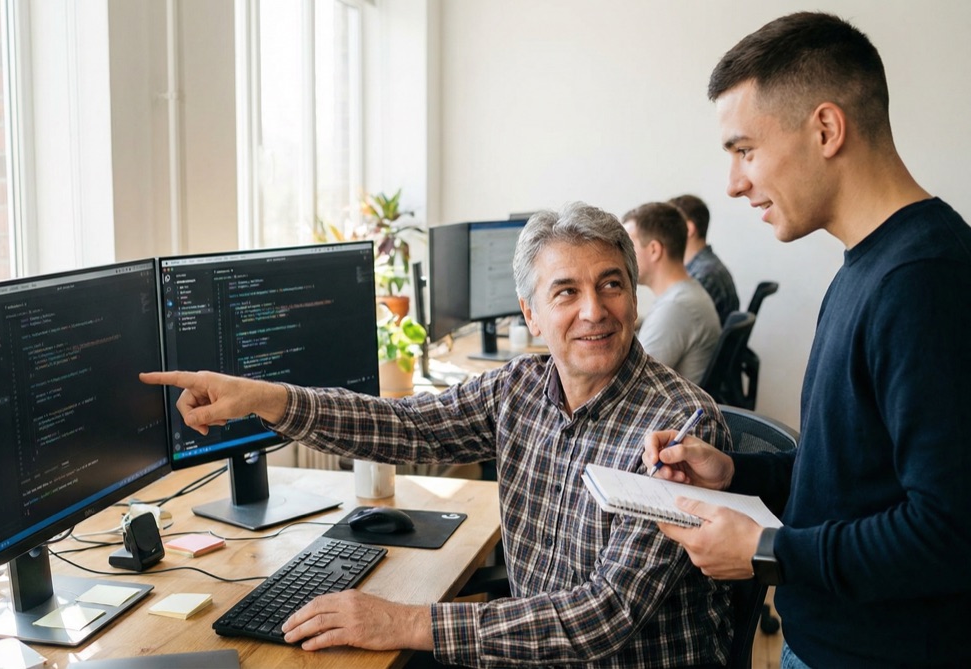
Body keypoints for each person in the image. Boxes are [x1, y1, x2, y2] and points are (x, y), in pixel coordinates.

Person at [143, 202, 735, 668]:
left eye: (611, 285)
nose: (593, 311)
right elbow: (407, 427)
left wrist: (404, 622)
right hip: (529, 650)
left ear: (634, 298)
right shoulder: (521, 386)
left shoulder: (678, 423)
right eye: (566, 292)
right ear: (530, 313)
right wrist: (266, 399)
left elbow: (601, 618)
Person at [643, 12, 971, 669]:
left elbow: (957, 535)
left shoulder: (927, 284)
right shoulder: (869, 266)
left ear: (825, 128)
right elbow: (851, 478)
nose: (733, 182)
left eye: (744, 150)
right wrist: (735, 472)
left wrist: (767, 547)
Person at [622, 202, 721, 384]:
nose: (621, 256)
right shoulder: (682, 295)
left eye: (628, 246)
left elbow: (632, 383)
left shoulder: (676, 308)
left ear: (654, 250)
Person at [669, 194, 738, 324]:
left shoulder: (703, 275)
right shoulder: (706, 266)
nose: (661, 233)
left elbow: (677, 326)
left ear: (688, 229)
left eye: (667, 225)